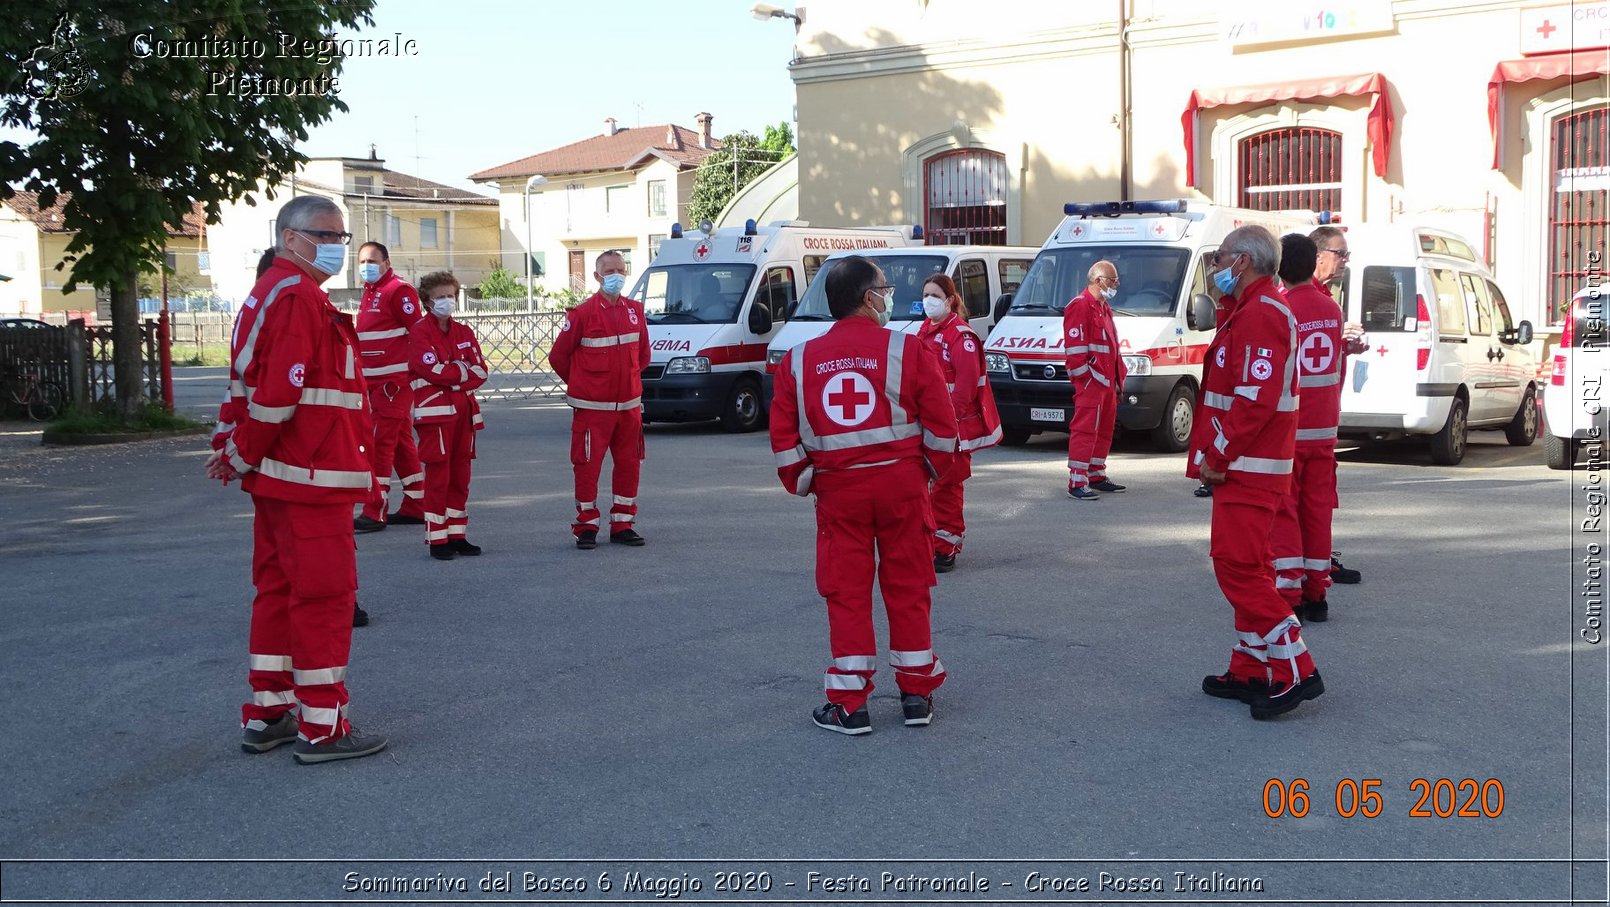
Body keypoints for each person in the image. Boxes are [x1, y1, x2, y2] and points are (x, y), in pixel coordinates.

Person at [206, 195, 388, 763]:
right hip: (312, 476)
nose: (338, 245)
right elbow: (279, 393)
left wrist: (239, 451)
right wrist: (240, 453)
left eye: (341, 235)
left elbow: (250, 385)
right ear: (290, 238)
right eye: (326, 235)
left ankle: (270, 713)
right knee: (325, 598)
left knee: (279, 591)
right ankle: (323, 727)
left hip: (287, 474)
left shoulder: (273, 291)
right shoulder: (297, 296)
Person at [770, 255, 958, 735]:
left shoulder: (797, 361)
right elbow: (942, 428)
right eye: (884, 288)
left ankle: (851, 705)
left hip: (839, 495)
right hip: (902, 490)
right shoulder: (908, 350)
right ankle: (917, 694)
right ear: (867, 298)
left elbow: (785, 442)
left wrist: (810, 480)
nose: (889, 295)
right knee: (910, 588)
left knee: (846, 593)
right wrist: (930, 473)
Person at [1188, 225, 1323, 720]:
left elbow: (1254, 400)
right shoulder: (1248, 309)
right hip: (1248, 465)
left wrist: (1217, 455)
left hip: (1248, 466)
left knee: (1237, 568)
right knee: (1252, 566)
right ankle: (1249, 666)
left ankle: (1296, 668)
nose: (1215, 267)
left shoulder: (1263, 313)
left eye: (1221, 258)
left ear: (1241, 262)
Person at [548, 250, 651, 549]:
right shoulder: (582, 314)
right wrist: (583, 384)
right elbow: (558, 357)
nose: (615, 275)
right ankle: (586, 526)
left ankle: (622, 524)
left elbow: (643, 356)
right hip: (593, 410)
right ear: (596, 276)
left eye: (620, 269)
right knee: (587, 468)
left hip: (629, 409)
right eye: (608, 271)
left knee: (630, 466)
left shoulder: (635, 311)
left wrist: (627, 385)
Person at [1270, 235, 1347, 622]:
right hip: (1325, 428)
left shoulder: (1281, 308)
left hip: (1291, 428)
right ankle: (1317, 592)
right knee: (1317, 511)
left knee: (1286, 509)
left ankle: (1289, 590)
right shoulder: (1332, 310)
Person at [916, 273, 1001, 573]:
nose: (929, 301)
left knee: (947, 489)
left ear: (950, 300)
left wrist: (944, 423)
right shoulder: (924, 331)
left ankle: (945, 547)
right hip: (928, 426)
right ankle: (932, 542)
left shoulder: (961, 336)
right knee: (929, 487)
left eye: (935, 296)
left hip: (952, 429)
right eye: (925, 295)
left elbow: (964, 389)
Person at [408, 271, 488, 560]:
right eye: (440, 297)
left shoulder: (464, 332)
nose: (447, 301)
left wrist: (452, 372)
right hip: (435, 416)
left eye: (450, 296)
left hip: (464, 415)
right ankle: (437, 538)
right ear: (428, 301)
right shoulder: (419, 331)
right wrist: (460, 371)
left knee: (460, 476)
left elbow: (481, 371)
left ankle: (457, 534)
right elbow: (429, 369)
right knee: (438, 476)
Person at [352, 242, 428, 534]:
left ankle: (374, 509)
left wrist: (417, 372)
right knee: (399, 443)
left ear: (386, 262)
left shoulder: (399, 290)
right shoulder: (370, 292)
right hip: (373, 381)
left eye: (372, 261)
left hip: (392, 383)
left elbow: (419, 331)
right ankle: (416, 504)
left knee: (379, 442)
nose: (366, 266)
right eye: (362, 261)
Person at [1310, 224, 1367, 586]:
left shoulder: (1328, 298)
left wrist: (1345, 346)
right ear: (1318, 256)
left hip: (1324, 415)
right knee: (1312, 497)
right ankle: (1311, 568)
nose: (1345, 261)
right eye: (1339, 253)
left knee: (1319, 496)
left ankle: (1315, 559)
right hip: (1306, 419)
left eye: (1347, 254)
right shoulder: (1308, 299)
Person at [1063, 260, 1128, 500]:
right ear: (1098, 280)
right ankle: (1077, 480)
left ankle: (1096, 473)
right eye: (1113, 280)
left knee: (1104, 429)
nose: (1116, 285)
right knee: (1085, 429)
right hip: (1092, 383)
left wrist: (1119, 379)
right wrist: (1086, 381)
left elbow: (1112, 348)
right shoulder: (1080, 306)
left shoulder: (1103, 306)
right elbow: (1075, 352)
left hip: (1106, 382)